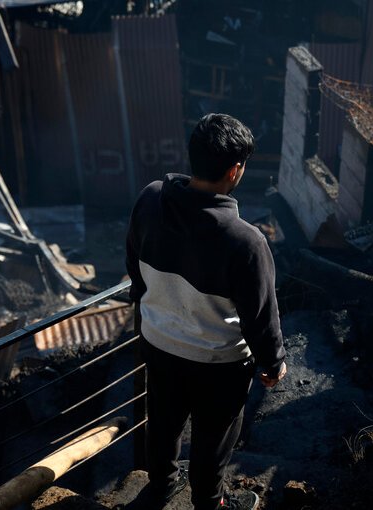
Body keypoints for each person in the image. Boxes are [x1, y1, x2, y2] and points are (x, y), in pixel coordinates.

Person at [125, 113, 287, 510]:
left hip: (159, 344)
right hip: (218, 364)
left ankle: (161, 484)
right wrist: (272, 362)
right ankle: (208, 502)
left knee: (162, 422)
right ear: (235, 170)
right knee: (214, 437)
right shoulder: (246, 242)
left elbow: (134, 267)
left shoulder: (149, 200)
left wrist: (153, 312)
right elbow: (260, 317)